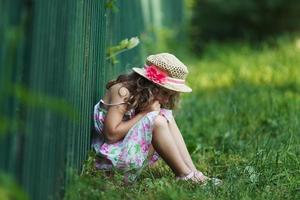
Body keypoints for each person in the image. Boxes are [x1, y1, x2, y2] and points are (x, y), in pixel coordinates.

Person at [92, 53, 221, 184]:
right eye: (164, 93)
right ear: (148, 84)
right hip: (109, 165)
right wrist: (144, 114)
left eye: (170, 96)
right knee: (157, 121)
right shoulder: (122, 91)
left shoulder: (141, 96)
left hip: (126, 156)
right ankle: (184, 175)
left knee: (165, 114)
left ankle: (193, 173)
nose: (166, 99)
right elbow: (111, 135)